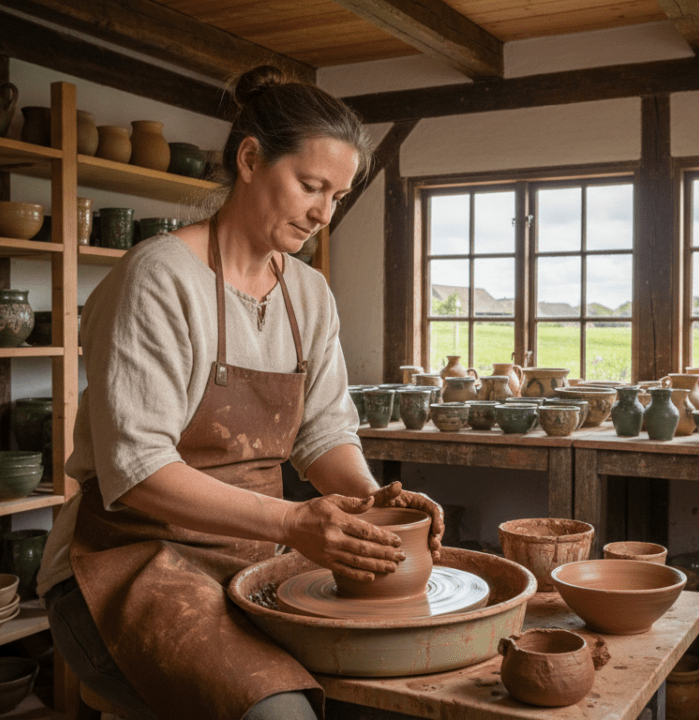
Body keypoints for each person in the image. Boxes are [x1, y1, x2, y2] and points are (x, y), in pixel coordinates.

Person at [35, 65, 445, 720]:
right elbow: (138, 470)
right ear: (250, 160)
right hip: (128, 565)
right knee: (278, 715)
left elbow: (324, 433)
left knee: (399, 689)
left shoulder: (308, 293)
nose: (324, 213)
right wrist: (294, 523)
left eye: (338, 195)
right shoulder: (159, 278)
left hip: (254, 559)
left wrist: (371, 507)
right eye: (311, 186)